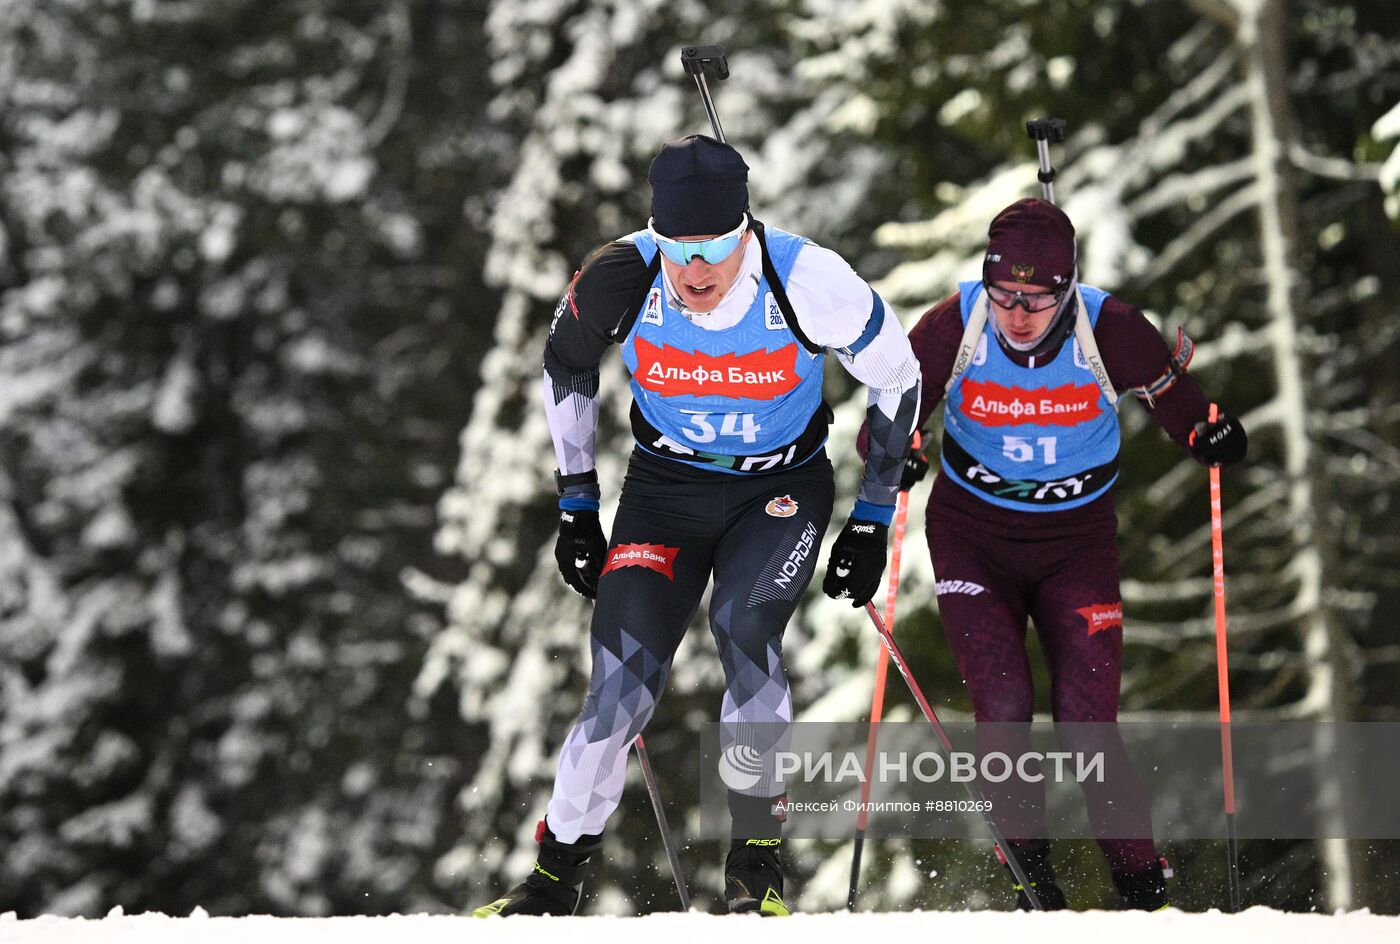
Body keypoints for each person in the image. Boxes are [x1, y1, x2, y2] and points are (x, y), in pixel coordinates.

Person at [473, 135, 922, 917]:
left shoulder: (807, 278)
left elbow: (899, 374)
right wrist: (577, 501)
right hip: (664, 493)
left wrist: (872, 517)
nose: (695, 268)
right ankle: (554, 877)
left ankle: (755, 862)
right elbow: (566, 363)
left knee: (745, 629)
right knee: (620, 685)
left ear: (745, 228)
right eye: (678, 246)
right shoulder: (622, 272)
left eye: (715, 245)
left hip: (777, 493)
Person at [890, 198, 1246, 911]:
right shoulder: (951, 326)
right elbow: (894, 414)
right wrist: (897, 451)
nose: (1018, 314)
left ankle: (1144, 894)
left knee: (1087, 720)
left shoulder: (1109, 329)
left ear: (1069, 288)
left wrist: (1210, 435)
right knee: (1004, 701)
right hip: (972, 536)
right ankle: (1033, 885)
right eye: (1004, 296)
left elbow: (1184, 407)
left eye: (1038, 298)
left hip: (1076, 543)